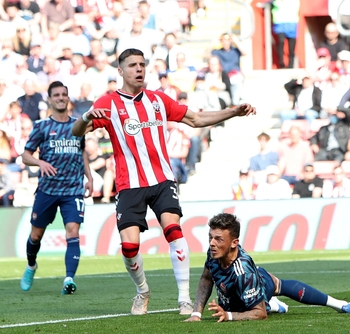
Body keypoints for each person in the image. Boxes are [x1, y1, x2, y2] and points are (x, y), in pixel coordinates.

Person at [72, 48, 257, 316]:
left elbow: (196, 119)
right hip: (129, 183)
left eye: (142, 64)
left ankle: (184, 299)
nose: (139, 69)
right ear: (120, 71)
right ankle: (143, 291)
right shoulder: (108, 103)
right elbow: (76, 131)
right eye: (132, 65)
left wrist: (232, 112)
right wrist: (85, 118)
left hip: (162, 179)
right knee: (129, 247)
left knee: (174, 230)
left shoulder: (158, 100)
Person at [184, 213, 350, 322]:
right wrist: (196, 314)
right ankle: (273, 305)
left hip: (260, 283)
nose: (212, 243)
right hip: (237, 296)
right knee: (245, 302)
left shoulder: (244, 272)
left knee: (277, 286)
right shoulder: (214, 253)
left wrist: (228, 316)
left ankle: (341, 305)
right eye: (211, 237)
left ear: (234, 243)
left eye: (218, 239)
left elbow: (259, 314)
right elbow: (206, 278)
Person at [19, 81, 92, 295]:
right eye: (57, 95)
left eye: (64, 94)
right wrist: (40, 163)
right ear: (50, 99)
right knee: (36, 236)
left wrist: (89, 177)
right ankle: (31, 265)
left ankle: (69, 279)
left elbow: (82, 152)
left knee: (73, 231)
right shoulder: (42, 126)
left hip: (73, 189)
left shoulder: (78, 125)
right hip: (48, 190)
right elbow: (25, 155)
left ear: (68, 98)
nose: (61, 97)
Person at [270, 0, 300, 69]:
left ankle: (291, 65)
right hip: (279, 24)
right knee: (280, 42)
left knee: (292, 46)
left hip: (291, 24)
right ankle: (281, 64)